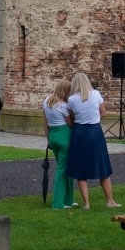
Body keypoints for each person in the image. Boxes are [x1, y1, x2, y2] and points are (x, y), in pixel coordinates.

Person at [66, 71, 120, 208]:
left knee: (81, 167)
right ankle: (110, 200)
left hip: (80, 131)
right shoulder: (96, 94)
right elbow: (103, 111)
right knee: (102, 165)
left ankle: (86, 203)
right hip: (95, 131)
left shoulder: (72, 99)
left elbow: (71, 116)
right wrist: (95, 118)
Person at [42, 78, 76, 209]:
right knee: (62, 170)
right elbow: (70, 124)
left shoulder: (46, 102)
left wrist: (48, 139)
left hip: (53, 135)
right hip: (64, 136)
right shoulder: (64, 105)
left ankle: (68, 200)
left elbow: (45, 122)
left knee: (65, 167)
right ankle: (58, 203)